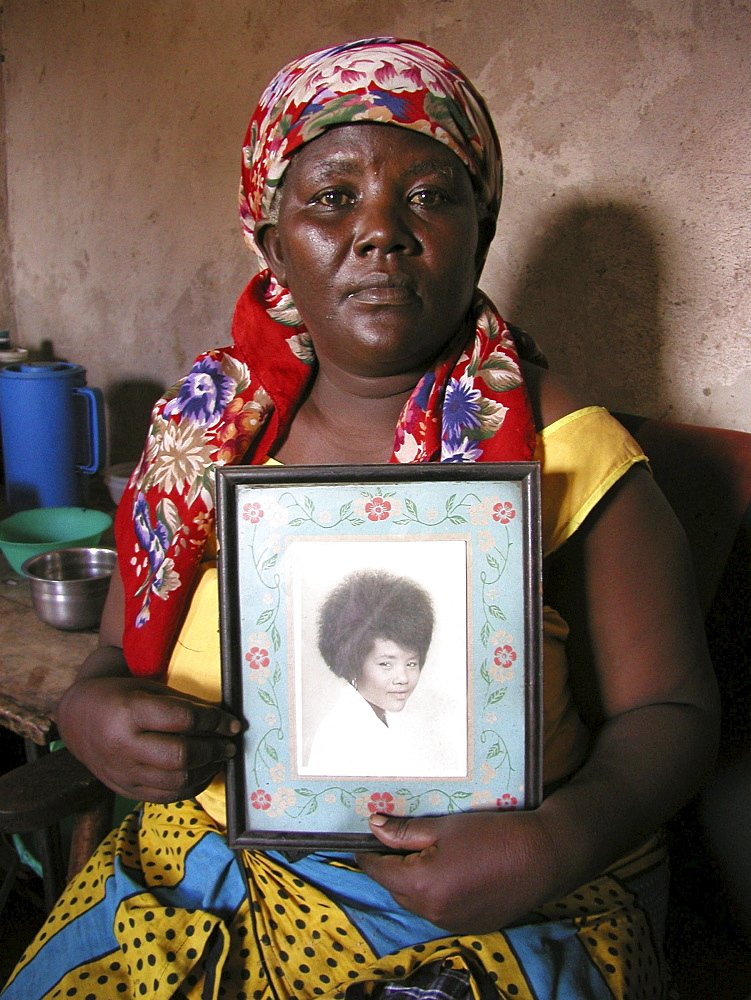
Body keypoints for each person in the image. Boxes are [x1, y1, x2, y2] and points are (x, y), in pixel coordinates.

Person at [1, 37, 719, 1000]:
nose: (381, 232)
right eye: (333, 198)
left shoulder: (565, 450)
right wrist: (90, 713)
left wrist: (556, 838)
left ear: (480, 230)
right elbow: (109, 656)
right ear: (270, 241)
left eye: (430, 196)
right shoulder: (199, 440)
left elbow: (670, 713)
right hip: (205, 871)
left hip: (497, 889)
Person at [306, 568, 435, 776]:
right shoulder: (345, 733)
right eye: (386, 664)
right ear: (354, 664)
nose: (403, 678)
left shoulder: (383, 715)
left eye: (411, 664)